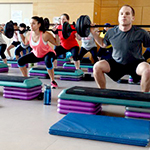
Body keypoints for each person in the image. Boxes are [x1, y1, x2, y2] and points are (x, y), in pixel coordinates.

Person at [90, 4, 150, 92]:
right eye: (121, 13)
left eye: (127, 13)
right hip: (116, 63)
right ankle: (102, 93)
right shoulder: (111, 32)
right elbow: (103, 44)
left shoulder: (141, 33)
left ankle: (143, 98)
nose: (124, 16)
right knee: (97, 66)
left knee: (148, 69)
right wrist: (94, 33)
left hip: (136, 63)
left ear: (133, 18)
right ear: (118, 17)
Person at [18, 16, 60, 88]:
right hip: (36, 54)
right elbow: (25, 43)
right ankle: (26, 78)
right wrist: (21, 33)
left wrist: (56, 34)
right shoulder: (28, 34)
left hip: (48, 53)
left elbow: (57, 44)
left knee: (47, 60)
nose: (31, 25)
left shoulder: (45, 35)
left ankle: (52, 80)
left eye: (33, 23)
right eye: (30, 23)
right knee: (20, 61)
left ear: (39, 24)